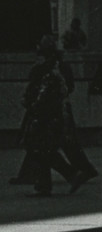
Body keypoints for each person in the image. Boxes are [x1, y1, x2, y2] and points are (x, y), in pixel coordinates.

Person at [15, 35, 97, 194]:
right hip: (58, 113)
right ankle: (60, 178)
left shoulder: (43, 69)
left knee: (39, 148)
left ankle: (65, 176)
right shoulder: (60, 67)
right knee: (50, 147)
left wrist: (31, 104)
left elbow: (37, 92)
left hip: (42, 115)